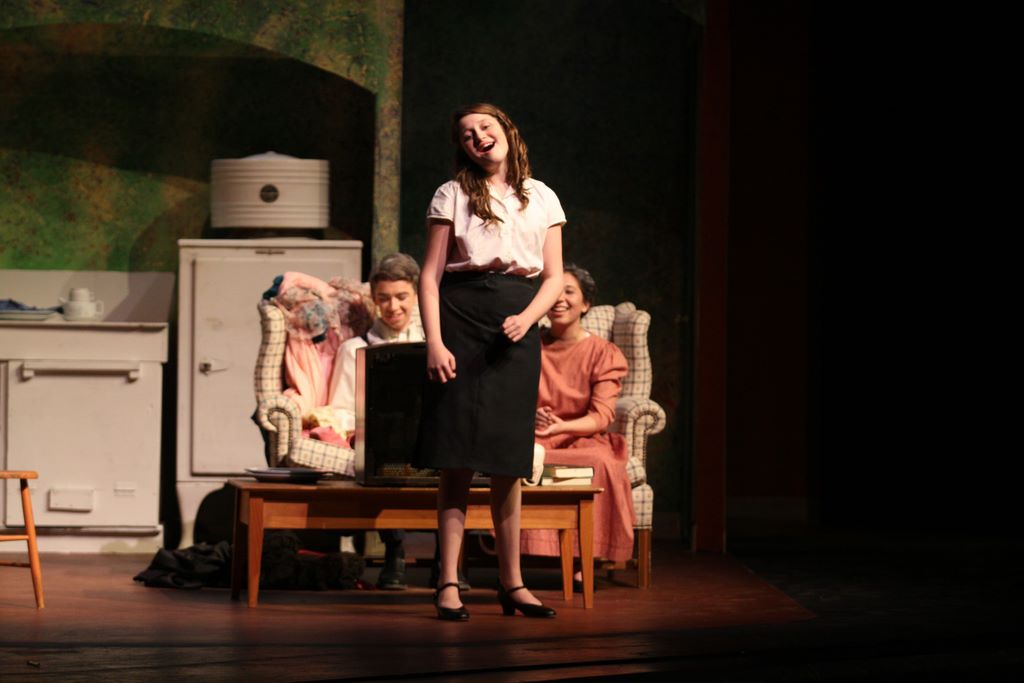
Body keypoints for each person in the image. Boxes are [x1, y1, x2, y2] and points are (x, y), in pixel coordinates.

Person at [414, 103, 565, 620]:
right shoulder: (451, 193)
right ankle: (448, 581)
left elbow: (554, 277)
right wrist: (434, 342)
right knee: (455, 456)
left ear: (505, 131)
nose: (477, 136)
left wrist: (529, 319)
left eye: (485, 127)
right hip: (461, 317)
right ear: (463, 148)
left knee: (507, 459)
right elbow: (430, 275)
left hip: (516, 323)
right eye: (466, 134)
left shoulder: (542, 196)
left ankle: (512, 584)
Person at [521, 265, 634, 586]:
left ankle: (584, 555)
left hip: (581, 440)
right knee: (517, 456)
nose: (559, 299)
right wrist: (530, 417)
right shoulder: (529, 346)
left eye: (568, 292)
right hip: (534, 439)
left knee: (600, 463)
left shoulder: (603, 353)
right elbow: (508, 397)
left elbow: (601, 415)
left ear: (585, 304)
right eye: (554, 292)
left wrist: (561, 427)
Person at [330, 252, 424, 591]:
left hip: (427, 438)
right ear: (374, 299)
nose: (393, 306)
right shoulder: (354, 349)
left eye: (401, 296)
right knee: (383, 453)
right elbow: (340, 409)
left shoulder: (433, 345)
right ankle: (394, 548)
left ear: (416, 296)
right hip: (382, 443)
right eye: (384, 298)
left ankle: (448, 558)